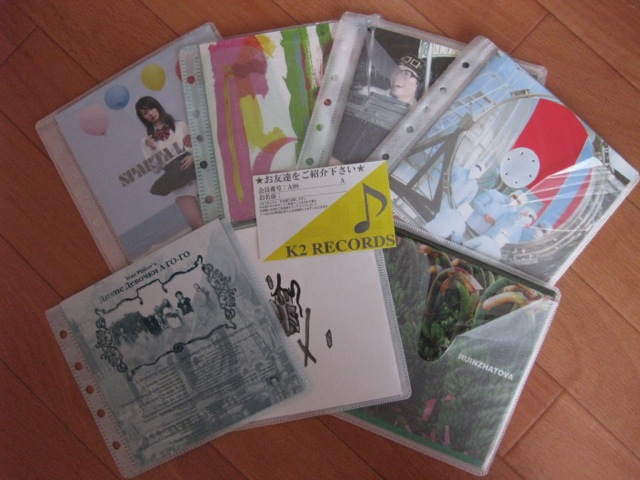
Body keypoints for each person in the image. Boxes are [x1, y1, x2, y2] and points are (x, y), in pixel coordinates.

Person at [135, 96, 203, 230]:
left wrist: (193, 157)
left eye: (151, 108)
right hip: (178, 182)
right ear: (143, 118)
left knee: (217, 213)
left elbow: (198, 145)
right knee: (197, 225)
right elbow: (155, 169)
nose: (150, 113)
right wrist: (152, 148)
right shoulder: (146, 141)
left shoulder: (180, 125)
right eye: (145, 113)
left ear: (157, 106)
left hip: (199, 174)